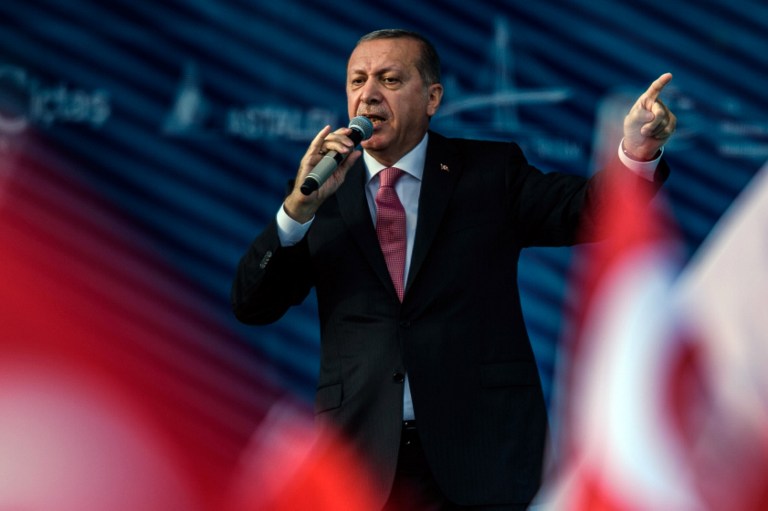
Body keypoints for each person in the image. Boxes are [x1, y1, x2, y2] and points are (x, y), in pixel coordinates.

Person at [231, 28, 676, 511]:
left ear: (432, 97)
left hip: (482, 451)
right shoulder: (319, 192)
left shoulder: (488, 172)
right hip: (362, 458)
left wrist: (636, 153)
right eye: (357, 80)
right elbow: (253, 304)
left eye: (390, 79)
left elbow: (588, 210)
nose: (369, 94)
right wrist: (297, 210)